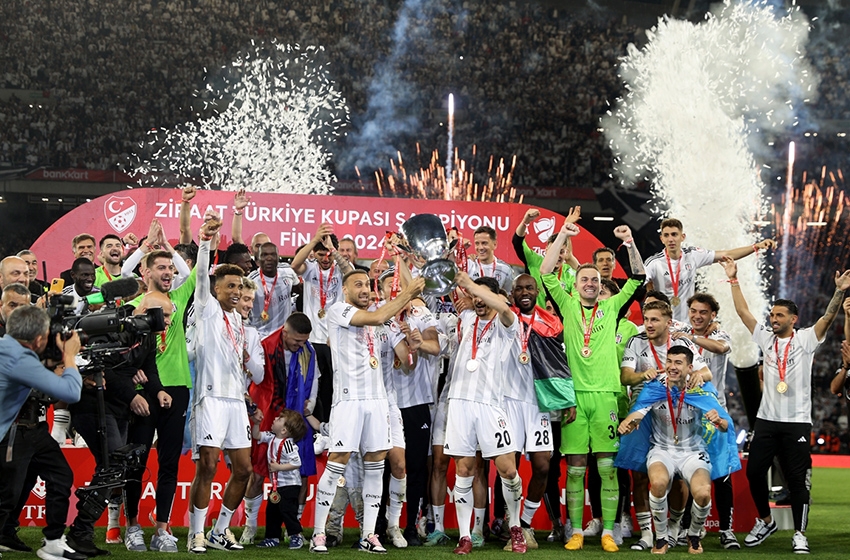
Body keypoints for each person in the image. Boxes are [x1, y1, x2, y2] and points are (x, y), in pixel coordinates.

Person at [721, 256, 850, 554]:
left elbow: (828, 317)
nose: (773, 319)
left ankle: (800, 534)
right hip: (767, 420)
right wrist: (734, 279)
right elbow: (742, 312)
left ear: (793, 318)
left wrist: (839, 291)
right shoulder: (766, 339)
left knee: (796, 481)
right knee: (754, 473)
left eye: (779, 315)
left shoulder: (806, 339)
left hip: (797, 422)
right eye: (772, 315)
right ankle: (766, 521)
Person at [540, 222, 645, 553]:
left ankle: (609, 532)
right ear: (576, 284)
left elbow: (639, 278)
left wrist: (630, 242)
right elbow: (545, 272)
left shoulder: (612, 307)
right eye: (584, 279)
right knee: (575, 470)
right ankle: (575, 531)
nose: (589, 283)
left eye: (595, 280)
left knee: (607, 468)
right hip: (574, 397)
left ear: (601, 286)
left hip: (606, 397)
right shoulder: (567, 304)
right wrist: (562, 235)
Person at [308, 270, 424, 554]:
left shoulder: (384, 322)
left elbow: (407, 362)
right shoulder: (339, 310)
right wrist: (408, 293)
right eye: (357, 284)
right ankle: (319, 533)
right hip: (349, 400)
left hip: (378, 401)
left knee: (376, 465)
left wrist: (413, 344)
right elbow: (376, 316)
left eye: (368, 285)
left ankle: (369, 535)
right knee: (337, 463)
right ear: (345, 290)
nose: (364, 289)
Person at [66, 292, 169, 558]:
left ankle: (81, 531)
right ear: (144, 311)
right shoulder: (113, 326)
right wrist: (132, 393)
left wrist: (157, 390)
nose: (168, 322)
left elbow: (149, 368)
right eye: (165, 315)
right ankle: (79, 532)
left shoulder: (148, 335)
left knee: (115, 468)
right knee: (113, 466)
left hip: (118, 408)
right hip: (93, 405)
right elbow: (103, 370)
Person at [617, 346, 738, 555]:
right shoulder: (654, 387)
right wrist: (628, 423)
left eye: (678, 363)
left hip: (693, 452)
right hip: (662, 450)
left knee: (703, 494)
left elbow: (725, 425)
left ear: (690, 367)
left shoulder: (701, 390)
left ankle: (693, 534)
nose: (672, 367)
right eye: (669, 361)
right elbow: (638, 412)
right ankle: (661, 537)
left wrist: (718, 420)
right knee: (658, 484)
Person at [186, 211, 259, 553]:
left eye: (239, 287)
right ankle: (196, 533)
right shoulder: (208, 310)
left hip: (235, 402)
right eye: (229, 286)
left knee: (243, 470)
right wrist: (204, 242)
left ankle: (220, 530)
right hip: (211, 399)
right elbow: (201, 276)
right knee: (208, 466)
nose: (235, 291)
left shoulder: (239, 321)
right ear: (215, 289)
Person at [444, 272, 526, 555]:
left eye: (482, 295)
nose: (477, 301)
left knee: (509, 470)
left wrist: (472, 286)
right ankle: (465, 536)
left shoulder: (507, 323)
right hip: (459, 402)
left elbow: (503, 307)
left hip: (491, 404)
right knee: (464, 471)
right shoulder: (467, 318)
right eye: (474, 297)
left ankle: (515, 526)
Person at [619, 300, 711, 550]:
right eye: (646, 319)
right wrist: (643, 375)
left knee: (679, 476)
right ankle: (647, 533)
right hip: (644, 407)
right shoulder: (636, 341)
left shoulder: (683, 344)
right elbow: (625, 376)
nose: (648, 324)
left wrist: (696, 375)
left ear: (668, 322)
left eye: (654, 320)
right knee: (640, 474)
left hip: (677, 410)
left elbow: (707, 374)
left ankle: (673, 527)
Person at [122, 248, 197, 552]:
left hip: (177, 387)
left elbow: (194, 276)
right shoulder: (132, 307)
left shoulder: (175, 300)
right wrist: (132, 373)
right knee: (136, 461)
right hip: (143, 391)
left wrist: (172, 243)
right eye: (161, 267)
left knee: (169, 462)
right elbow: (120, 352)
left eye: (170, 267)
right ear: (146, 272)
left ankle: (162, 529)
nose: (168, 272)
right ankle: (132, 526)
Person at [0, 306, 84, 560]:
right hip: (11, 433)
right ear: (38, 339)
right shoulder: (19, 359)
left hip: (28, 431)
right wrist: (69, 356)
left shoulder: (8, 348)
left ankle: (53, 542)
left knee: (60, 474)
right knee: (5, 495)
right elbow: (71, 392)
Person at [507, 273, 576, 549]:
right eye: (519, 289)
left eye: (529, 288)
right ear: (512, 293)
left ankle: (525, 524)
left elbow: (559, 361)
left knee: (543, 465)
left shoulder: (551, 323)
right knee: (508, 467)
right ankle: (509, 523)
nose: (524, 293)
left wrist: (568, 398)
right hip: (508, 401)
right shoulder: (505, 318)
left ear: (537, 292)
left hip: (539, 402)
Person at [248, 313, 315, 544]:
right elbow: (255, 380)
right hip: (268, 412)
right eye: (297, 340)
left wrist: (310, 404)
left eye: (304, 341)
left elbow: (314, 379)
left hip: (295, 415)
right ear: (285, 333)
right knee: (257, 473)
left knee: (302, 475)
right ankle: (250, 527)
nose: (300, 345)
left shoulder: (308, 351)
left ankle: (294, 529)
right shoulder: (265, 346)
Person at [684, 292, 739, 549]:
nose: (697, 316)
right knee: (687, 473)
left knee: (721, 475)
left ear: (713, 315)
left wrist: (691, 339)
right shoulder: (681, 333)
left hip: (716, 414)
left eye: (703, 312)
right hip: (688, 415)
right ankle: (688, 528)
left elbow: (721, 348)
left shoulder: (720, 334)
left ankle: (727, 530)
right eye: (693, 311)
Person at [643, 218, 775, 321]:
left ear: (682, 237)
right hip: (663, 324)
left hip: (687, 326)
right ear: (661, 239)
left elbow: (727, 254)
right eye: (666, 235)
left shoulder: (693, 255)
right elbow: (638, 282)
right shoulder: (653, 263)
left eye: (674, 234)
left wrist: (756, 247)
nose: (670, 239)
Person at [289, 223, 352, 421]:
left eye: (329, 254)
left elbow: (351, 274)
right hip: (312, 340)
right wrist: (315, 240)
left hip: (334, 340)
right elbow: (294, 265)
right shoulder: (310, 269)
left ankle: (333, 424)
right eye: (321, 254)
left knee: (333, 387)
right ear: (314, 254)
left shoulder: (341, 269)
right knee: (311, 387)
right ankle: (312, 426)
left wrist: (334, 250)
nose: (325, 259)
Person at [251, 409, 308, 549]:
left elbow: (296, 463)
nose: (275, 418)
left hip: (290, 485)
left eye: (279, 419)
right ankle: (272, 537)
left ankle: (296, 535)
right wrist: (257, 424)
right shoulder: (271, 437)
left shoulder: (287, 444)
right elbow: (256, 435)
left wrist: (279, 467)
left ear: (283, 430)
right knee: (272, 511)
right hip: (277, 486)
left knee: (288, 511)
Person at [512, 207, 580, 306]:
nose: (557, 256)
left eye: (561, 252)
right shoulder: (535, 261)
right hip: (536, 315)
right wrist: (525, 222)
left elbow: (577, 303)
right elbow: (517, 242)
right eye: (554, 251)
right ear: (546, 250)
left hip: (560, 316)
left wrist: (567, 229)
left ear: (566, 253)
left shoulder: (570, 274)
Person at [247, 241, 299, 339]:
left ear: (278, 257)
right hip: (260, 336)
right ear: (258, 259)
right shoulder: (251, 281)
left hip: (284, 336)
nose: (269, 258)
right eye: (264, 255)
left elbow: (299, 290)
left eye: (273, 255)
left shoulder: (288, 272)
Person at [467, 226, 515, 294]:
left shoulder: (505, 270)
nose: (480, 247)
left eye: (484, 243)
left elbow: (508, 296)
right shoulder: (468, 265)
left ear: (495, 245)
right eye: (477, 243)